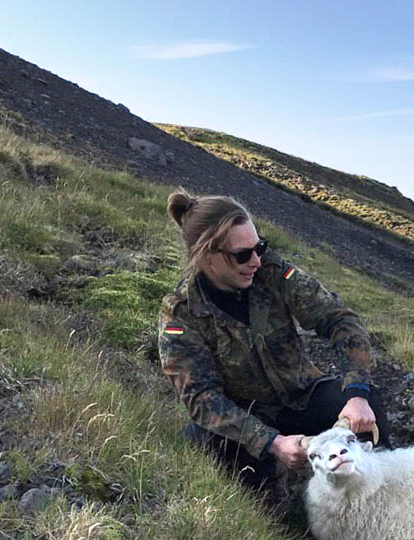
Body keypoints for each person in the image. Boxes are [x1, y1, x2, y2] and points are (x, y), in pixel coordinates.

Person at [157, 189, 390, 489]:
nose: (255, 260)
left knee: (370, 406)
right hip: (246, 420)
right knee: (225, 472)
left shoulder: (273, 272)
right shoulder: (180, 314)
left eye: (259, 247)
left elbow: (339, 319)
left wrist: (357, 394)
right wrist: (271, 442)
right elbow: (201, 398)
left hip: (303, 396)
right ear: (206, 257)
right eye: (242, 255)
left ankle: (386, 496)